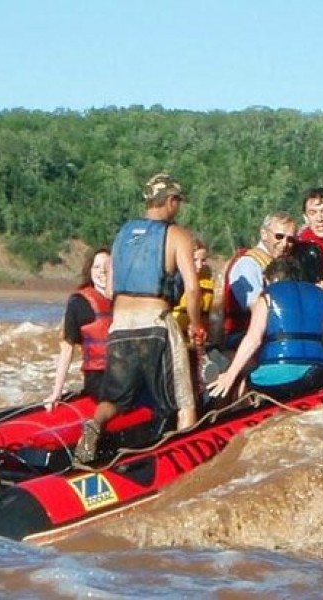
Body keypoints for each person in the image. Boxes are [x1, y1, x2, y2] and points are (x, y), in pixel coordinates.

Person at [74, 173, 205, 463]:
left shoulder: (123, 234)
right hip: (155, 320)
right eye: (178, 202)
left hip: (120, 325)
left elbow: (109, 290)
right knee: (184, 402)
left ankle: (94, 425)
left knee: (115, 399)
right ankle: (187, 462)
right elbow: (193, 288)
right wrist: (196, 325)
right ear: (171, 202)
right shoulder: (178, 235)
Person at [208, 255, 323, 401]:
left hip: (276, 377)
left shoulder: (267, 297)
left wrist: (230, 374)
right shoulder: (318, 296)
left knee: (244, 379)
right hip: (318, 372)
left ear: (271, 280)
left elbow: (253, 339)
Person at [44, 247, 112, 410]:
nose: (102, 271)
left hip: (126, 373)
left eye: (107, 267)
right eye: (96, 267)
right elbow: (67, 348)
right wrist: (56, 392)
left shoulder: (126, 300)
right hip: (99, 377)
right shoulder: (78, 303)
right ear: (90, 271)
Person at [221, 211, 296, 349]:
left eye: (290, 239)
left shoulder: (284, 265)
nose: (285, 243)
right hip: (243, 336)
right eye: (279, 236)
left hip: (272, 335)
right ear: (264, 234)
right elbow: (257, 308)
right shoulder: (249, 264)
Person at [171, 238, 215, 338]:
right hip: (177, 335)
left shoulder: (207, 278)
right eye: (194, 260)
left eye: (203, 260)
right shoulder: (175, 281)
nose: (199, 266)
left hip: (199, 338)